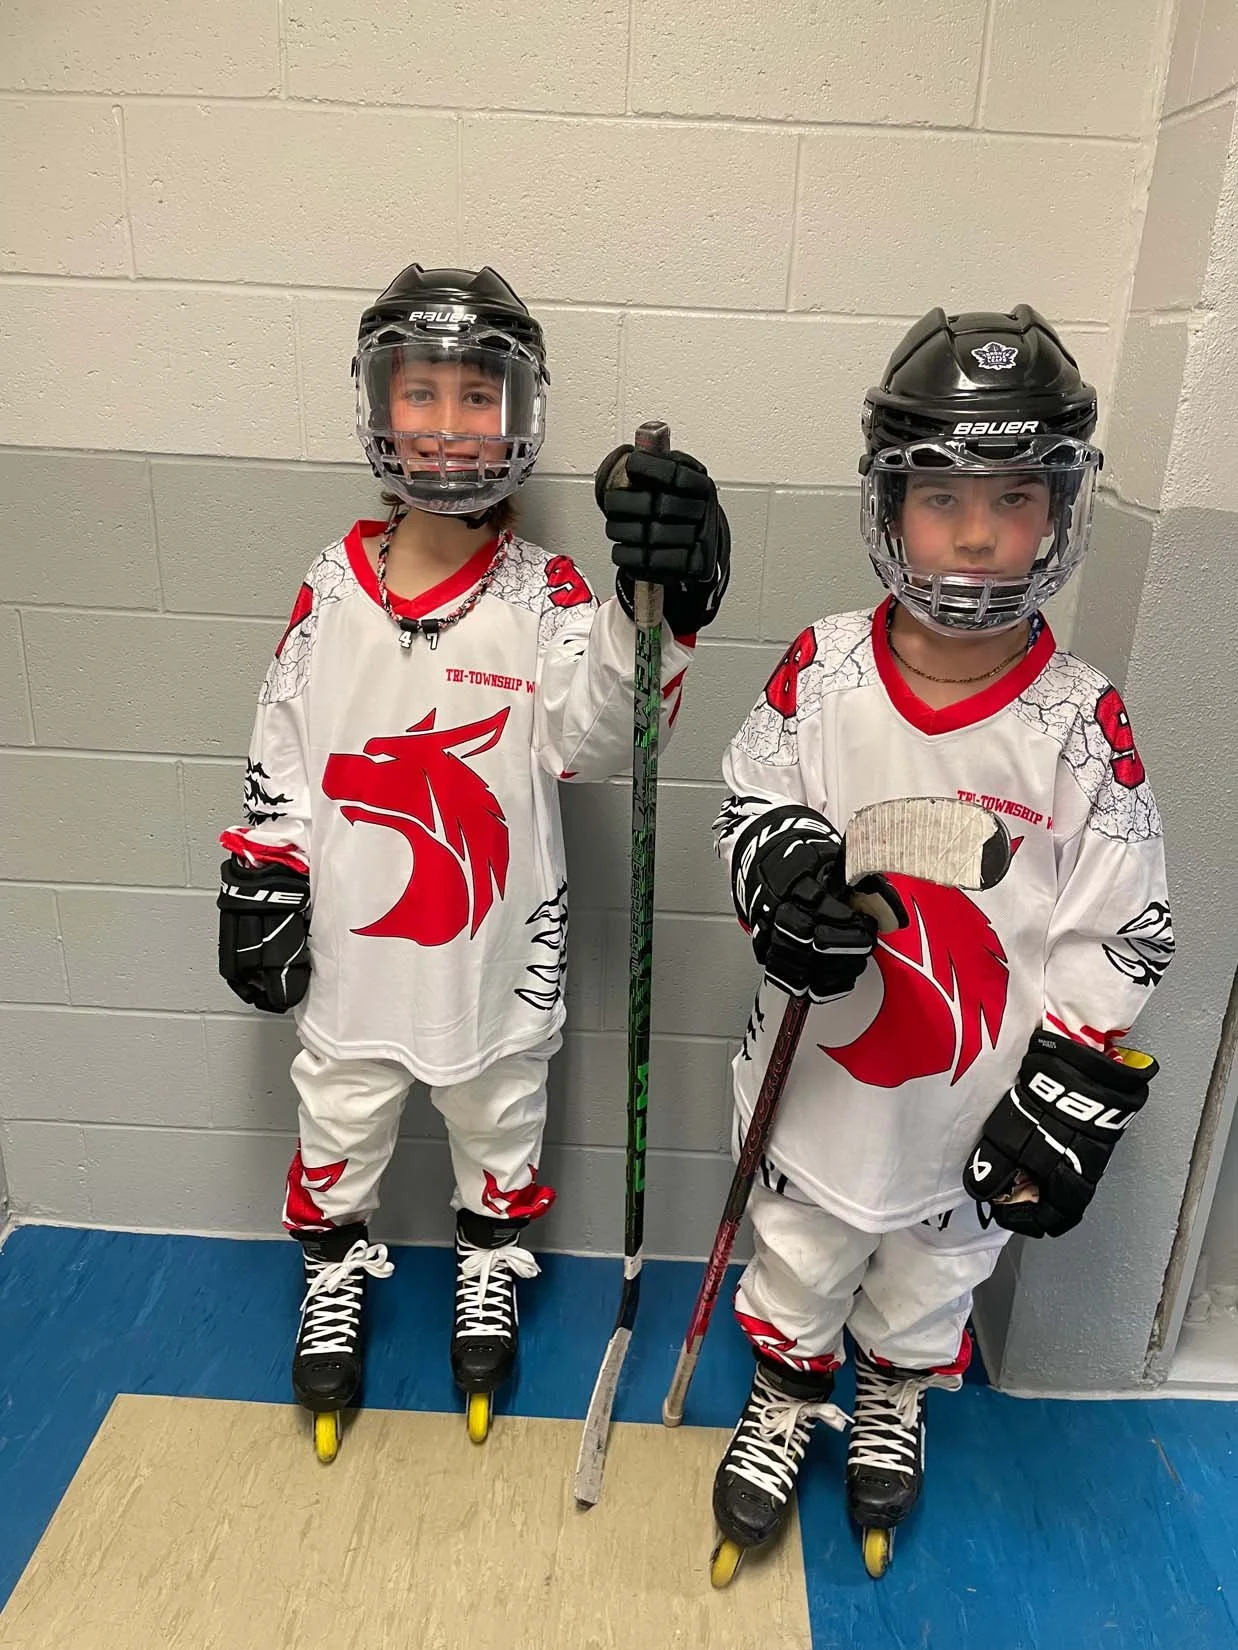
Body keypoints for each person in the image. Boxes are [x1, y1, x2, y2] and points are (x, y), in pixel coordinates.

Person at [215, 262, 730, 1458]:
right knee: (337, 1114)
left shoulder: (542, 591)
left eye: (475, 397)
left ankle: (488, 1266)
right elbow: (284, 741)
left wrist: (653, 602)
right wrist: (260, 867)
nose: (448, 425)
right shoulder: (329, 584)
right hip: (352, 952)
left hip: (499, 955)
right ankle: (335, 1276)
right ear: (377, 405)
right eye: (421, 394)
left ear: (520, 413)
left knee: (499, 1114)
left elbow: (599, 736)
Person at [707, 305, 1172, 1576]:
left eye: (1016, 495)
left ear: (1061, 511)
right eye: (943, 495)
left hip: (973, 1104)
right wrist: (782, 873)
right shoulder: (824, 669)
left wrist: (1067, 1085)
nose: (976, 532)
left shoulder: (1082, 722)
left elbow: (1120, 922)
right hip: (820, 1081)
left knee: (929, 1280)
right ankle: (784, 1397)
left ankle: (893, 1398)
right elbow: (752, 798)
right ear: (886, 503)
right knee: (798, 1259)